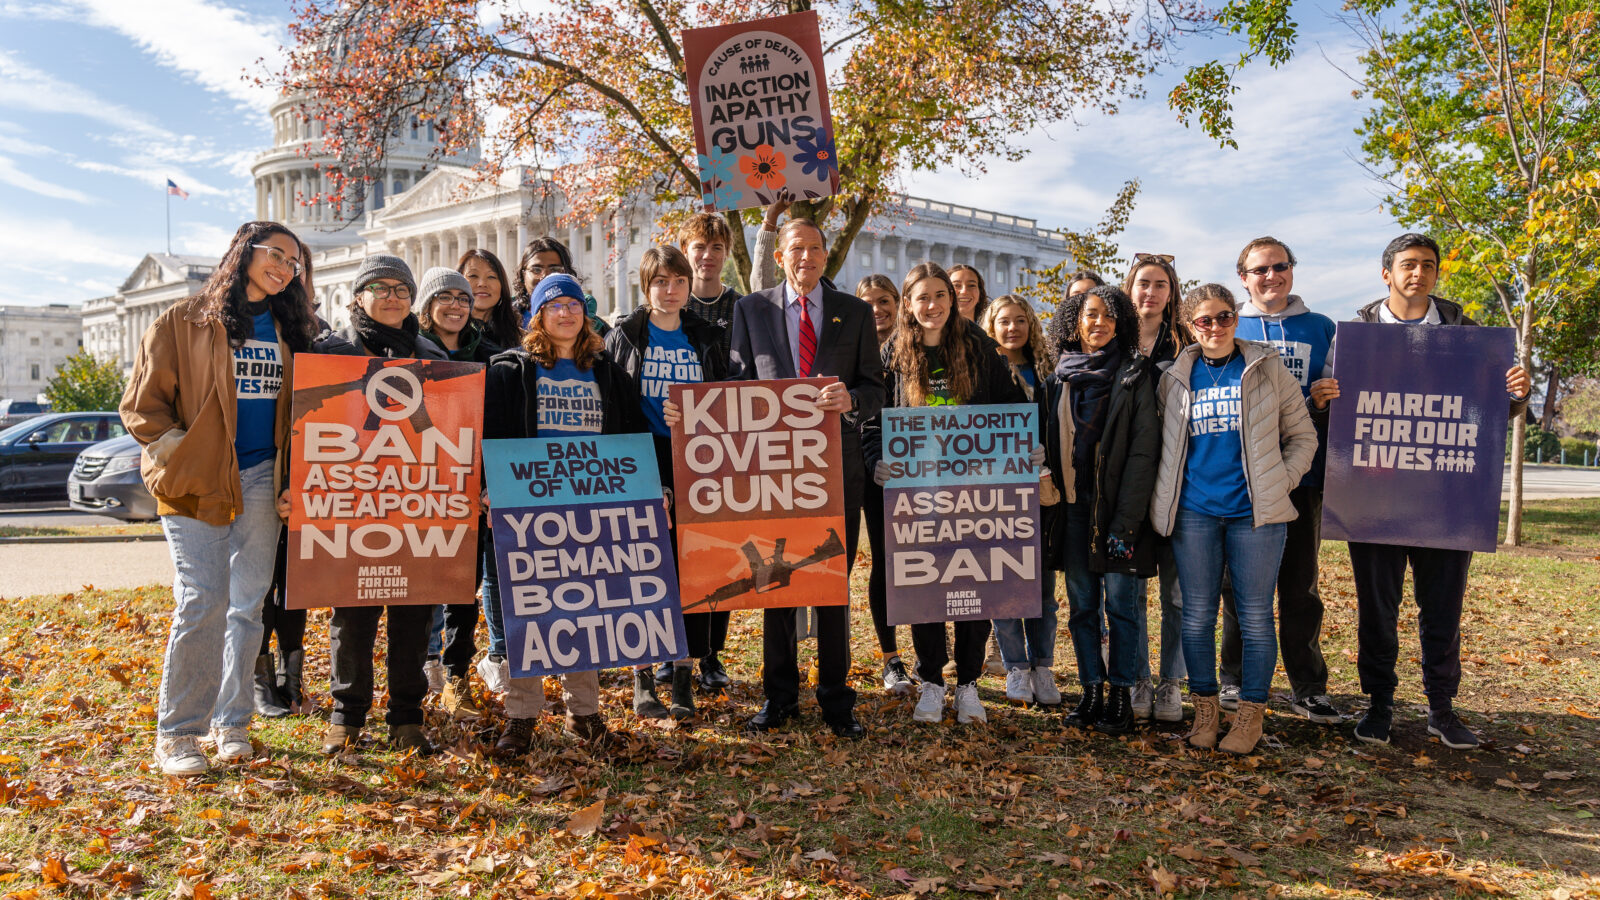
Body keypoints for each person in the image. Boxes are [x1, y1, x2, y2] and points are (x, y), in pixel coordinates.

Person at [1318, 233, 1530, 750]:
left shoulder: (1468, 335)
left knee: (1443, 609)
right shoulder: (1354, 338)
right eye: (1408, 265)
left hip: (1446, 499)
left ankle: (1441, 708)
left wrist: (1516, 396)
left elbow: (1488, 414)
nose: (1419, 274)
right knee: (1377, 609)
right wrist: (1322, 399)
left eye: (1428, 266)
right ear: (1386, 274)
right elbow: (1334, 408)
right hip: (1373, 499)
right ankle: (1379, 707)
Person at [122, 221, 318, 776]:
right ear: (244, 252)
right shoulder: (183, 320)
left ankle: (232, 723)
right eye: (275, 254)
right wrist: (180, 450)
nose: (284, 267)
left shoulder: (292, 328)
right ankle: (179, 733)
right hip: (200, 478)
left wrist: (293, 479)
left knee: (247, 604)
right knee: (202, 600)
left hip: (262, 476)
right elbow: (143, 404)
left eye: (294, 262)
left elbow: (310, 411)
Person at [725, 219, 885, 738]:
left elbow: (875, 388)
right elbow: (735, 385)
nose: (808, 257)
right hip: (775, 473)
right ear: (780, 254)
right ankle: (780, 697)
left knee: (832, 586)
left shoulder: (855, 313)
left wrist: (853, 401)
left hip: (836, 471)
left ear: (825, 257)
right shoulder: (751, 310)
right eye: (798, 248)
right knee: (778, 584)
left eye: (816, 248)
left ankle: (837, 701)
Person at [1149, 283, 1318, 754]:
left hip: (1256, 516)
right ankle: (1205, 710)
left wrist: (1278, 481)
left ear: (1236, 317)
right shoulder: (1175, 378)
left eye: (1225, 317)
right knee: (1198, 616)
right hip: (1196, 514)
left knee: (1255, 617)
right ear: (1189, 326)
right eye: (1205, 320)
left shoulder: (1266, 368)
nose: (1217, 327)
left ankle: (1249, 716)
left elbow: (1303, 437)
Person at [484, 273, 649, 755]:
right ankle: (521, 717)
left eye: (573, 304)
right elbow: (491, 436)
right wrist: (490, 489)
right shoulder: (509, 371)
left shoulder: (607, 372)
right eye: (553, 305)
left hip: (594, 506)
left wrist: (650, 487)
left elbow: (631, 437)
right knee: (530, 611)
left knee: (588, 608)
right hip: (527, 506)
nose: (565, 312)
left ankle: (586, 714)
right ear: (537, 315)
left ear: (585, 314)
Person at [865, 262, 1028, 725]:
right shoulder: (893, 354)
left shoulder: (978, 347)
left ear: (952, 301)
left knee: (973, 586)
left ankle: (969, 683)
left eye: (941, 296)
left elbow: (1013, 411)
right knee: (927, 586)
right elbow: (872, 421)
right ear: (908, 305)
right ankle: (932, 682)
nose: (932, 305)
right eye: (922, 297)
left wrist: (1026, 452)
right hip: (916, 491)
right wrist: (876, 459)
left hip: (974, 489)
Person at [312, 255, 449, 757]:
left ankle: (407, 719)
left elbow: (445, 429)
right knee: (353, 615)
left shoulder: (431, 353)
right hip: (351, 498)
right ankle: (346, 717)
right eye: (380, 288)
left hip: (416, 501)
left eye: (401, 289)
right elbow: (307, 423)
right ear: (358, 296)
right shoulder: (332, 351)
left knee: (415, 615)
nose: (392, 297)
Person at [604, 247, 730, 720]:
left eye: (679, 281)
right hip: (641, 457)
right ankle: (641, 676)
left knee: (692, 569)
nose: (671, 290)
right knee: (641, 567)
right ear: (646, 286)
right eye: (661, 282)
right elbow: (614, 404)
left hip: (696, 460)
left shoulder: (707, 337)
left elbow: (725, 399)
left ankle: (682, 672)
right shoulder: (627, 336)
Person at [1222, 237, 1342, 724]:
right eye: (1259, 270)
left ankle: (1308, 687)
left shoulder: (1324, 328)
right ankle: (1233, 679)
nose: (1271, 276)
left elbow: (1342, 404)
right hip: (1239, 480)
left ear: (1291, 270)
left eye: (1279, 266)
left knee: (1299, 587)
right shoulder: (1228, 323)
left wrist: (1326, 399)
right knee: (1239, 587)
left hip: (1302, 477)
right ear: (1243, 278)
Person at [1040, 286, 1160, 731]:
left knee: (1123, 609)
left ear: (1121, 324)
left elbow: (1144, 453)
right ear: (1075, 320)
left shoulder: (1133, 374)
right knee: (1082, 607)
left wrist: (1126, 524)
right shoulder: (1057, 379)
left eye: (1109, 317)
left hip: (1117, 515)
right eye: (1091, 315)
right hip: (1071, 511)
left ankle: (1122, 697)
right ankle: (1091, 691)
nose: (1099, 324)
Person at [414, 267, 500, 722]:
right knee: (424, 583)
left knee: (465, 590)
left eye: (463, 298)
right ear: (427, 306)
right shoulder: (408, 353)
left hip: (474, 486)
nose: (456, 306)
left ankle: (457, 676)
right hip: (421, 484)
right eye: (444, 297)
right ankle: (417, 670)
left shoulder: (490, 355)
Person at [670, 212, 742, 691]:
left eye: (717, 248)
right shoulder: (672, 304)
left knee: (724, 552)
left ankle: (713, 652)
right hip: (679, 448)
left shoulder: (744, 309)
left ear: (727, 255)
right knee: (679, 556)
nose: (708, 256)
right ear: (685, 251)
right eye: (699, 247)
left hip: (731, 446)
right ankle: (676, 652)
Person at [982, 294, 1064, 707]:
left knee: (1043, 587)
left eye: (1020, 320)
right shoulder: (981, 372)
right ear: (991, 327)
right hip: (997, 492)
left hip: (1042, 491)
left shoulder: (1049, 373)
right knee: (1004, 582)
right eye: (1004, 321)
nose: (1012, 328)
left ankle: (1043, 666)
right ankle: (1015, 666)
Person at [1122, 253, 1189, 723]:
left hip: (1179, 478)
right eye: (1143, 283)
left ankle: (1171, 682)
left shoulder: (1187, 344)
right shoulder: (1112, 340)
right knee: (1129, 590)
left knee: (1177, 592)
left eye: (1160, 284)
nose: (1150, 292)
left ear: (1171, 292)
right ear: (1129, 288)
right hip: (1126, 482)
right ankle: (1138, 677)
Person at [856, 274, 914, 694]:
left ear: (898, 303)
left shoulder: (914, 349)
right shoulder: (853, 349)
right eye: (869, 302)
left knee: (921, 555)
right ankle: (890, 656)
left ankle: (933, 647)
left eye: (885, 300)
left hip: (912, 470)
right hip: (865, 469)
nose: (877, 308)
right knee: (884, 560)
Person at [512, 237, 609, 336]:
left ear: (567, 273)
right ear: (523, 275)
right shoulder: (504, 319)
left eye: (554, 270)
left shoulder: (596, 328)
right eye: (536, 270)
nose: (545, 277)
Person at [459, 248, 522, 349]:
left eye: (491, 277)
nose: (482, 284)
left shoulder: (519, 337)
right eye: (473, 275)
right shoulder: (450, 334)